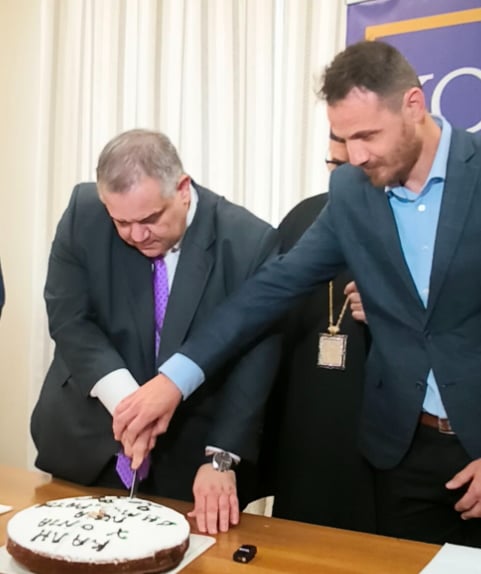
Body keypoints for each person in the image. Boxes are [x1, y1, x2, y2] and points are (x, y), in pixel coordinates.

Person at [113, 41, 481, 546]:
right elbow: (271, 290)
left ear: (414, 106)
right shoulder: (353, 190)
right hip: (403, 452)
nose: (355, 156)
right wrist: (173, 380)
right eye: (344, 139)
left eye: (368, 136)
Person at [31, 129, 281, 535]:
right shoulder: (83, 213)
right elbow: (69, 319)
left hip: (192, 461)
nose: (137, 235)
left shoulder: (249, 242)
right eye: (122, 222)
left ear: (182, 189)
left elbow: (255, 357)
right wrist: (130, 405)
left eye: (150, 219)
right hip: (87, 446)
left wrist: (221, 458)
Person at [259, 132, 376, 532]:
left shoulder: (410, 223)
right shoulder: (304, 218)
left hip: (377, 425)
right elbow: (264, 314)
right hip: (304, 421)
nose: (343, 179)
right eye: (334, 165)